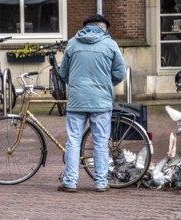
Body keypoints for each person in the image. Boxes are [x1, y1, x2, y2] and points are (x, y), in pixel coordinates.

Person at [58, 14, 126, 192]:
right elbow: (120, 73)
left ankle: (70, 182)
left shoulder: (73, 43)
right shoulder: (110, 44)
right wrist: (105, 84)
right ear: (103, 27)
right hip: (101, 101)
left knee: (73, 140)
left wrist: (75, 84)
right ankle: (101, 183)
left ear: (85, 27)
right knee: (100, 142)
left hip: (77, 100)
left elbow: (63, 72)